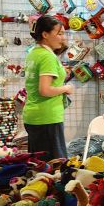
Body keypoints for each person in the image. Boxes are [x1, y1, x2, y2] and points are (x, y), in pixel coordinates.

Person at [23, 15, 72, 160]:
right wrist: (66, 88)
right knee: (54, 166)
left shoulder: (34, 52)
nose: (63, 38)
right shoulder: (47, 57)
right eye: (59, 33)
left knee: (38, 165)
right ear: (45, 34)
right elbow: (45, 90)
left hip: (34, 115)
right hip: (47, 117)